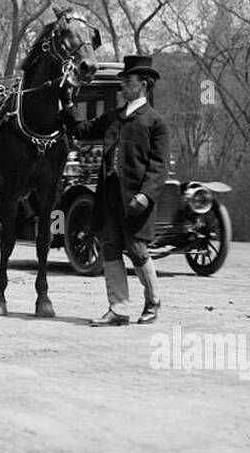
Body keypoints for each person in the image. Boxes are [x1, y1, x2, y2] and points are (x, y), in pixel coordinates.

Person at [63, 54, 170, 325]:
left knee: (137, 250)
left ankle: (153, 301)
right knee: (110, 248)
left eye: (128, 80)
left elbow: (159, 167)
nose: (123, 84)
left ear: (143, 84)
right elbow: (82, 130)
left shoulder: (155, 122)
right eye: (123, 80)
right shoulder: (113, 116)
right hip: (109, 197)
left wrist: (146, 195)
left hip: (136, 200)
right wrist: (67, 104)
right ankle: (119, 309)